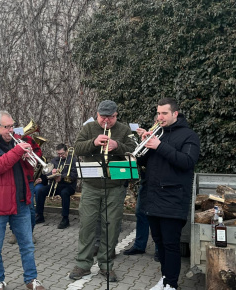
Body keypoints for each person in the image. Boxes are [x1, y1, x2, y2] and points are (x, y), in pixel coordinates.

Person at [0, 110, 45, 290]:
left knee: (27, 245)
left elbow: (29, 169)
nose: (11, 130)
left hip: (20, 201)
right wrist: (16, 152)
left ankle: (31, 279)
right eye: (7, 127)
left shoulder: (16, 141)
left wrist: (28, 157)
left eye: (12, 126)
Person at [69, 100, 136, 282]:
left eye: (110, 117)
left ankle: (106, 265)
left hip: (114, 187)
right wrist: (93, 142)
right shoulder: (89, 128)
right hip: (91, 186)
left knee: (111, 226)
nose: (105, 121)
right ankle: (83, 264)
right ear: (97, 114)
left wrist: (117, 146)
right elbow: (77, 147)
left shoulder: (124, 130)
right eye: (102, 117)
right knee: (87, 225)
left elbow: (133, 150)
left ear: (116, 115)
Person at [137, 98, 200, 290]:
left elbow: (187, 162)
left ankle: (171, 284)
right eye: (158, 113)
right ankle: (165, 278)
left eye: (164, 113)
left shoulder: (189, 136)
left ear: (175, 114)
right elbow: (144, 163)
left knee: (171, 245)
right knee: (160, 243)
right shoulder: (159, 134)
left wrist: (159, 146)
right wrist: (145, 145)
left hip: (173, 198)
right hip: (153, 197)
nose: (160, 117)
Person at [123, 127, 159, 261]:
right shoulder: (150, 136)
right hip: (146, 180)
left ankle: (159, 249)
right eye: (156, 121)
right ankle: (139, 245)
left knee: (156, 216)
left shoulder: (166, 137)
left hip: (160, 182)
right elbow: (141, 159)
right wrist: (142, 142)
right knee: (140, 212)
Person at [8, 134, 42, 244]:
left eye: (11, 126)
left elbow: (38, 153)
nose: (10, 129)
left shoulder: (26, 138)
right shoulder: (4, 140)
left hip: (27, 179)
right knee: (13, 208)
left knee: (30, 208)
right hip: (12, 179)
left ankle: (29, 232)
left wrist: (31, 154)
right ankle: (14, 232)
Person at [35, 144, 77, 229]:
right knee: (40, 191)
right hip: (56, 185)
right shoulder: (55, 160)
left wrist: (61, 176)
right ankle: (40, 215)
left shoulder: (73, 160)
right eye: (58, 154)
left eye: (62, 153)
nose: (60, 156)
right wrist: (52, 173)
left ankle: (65, 219)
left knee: (64, 193)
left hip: (68, 185)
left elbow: (74, 175)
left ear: (67, 151)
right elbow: (47, 171)